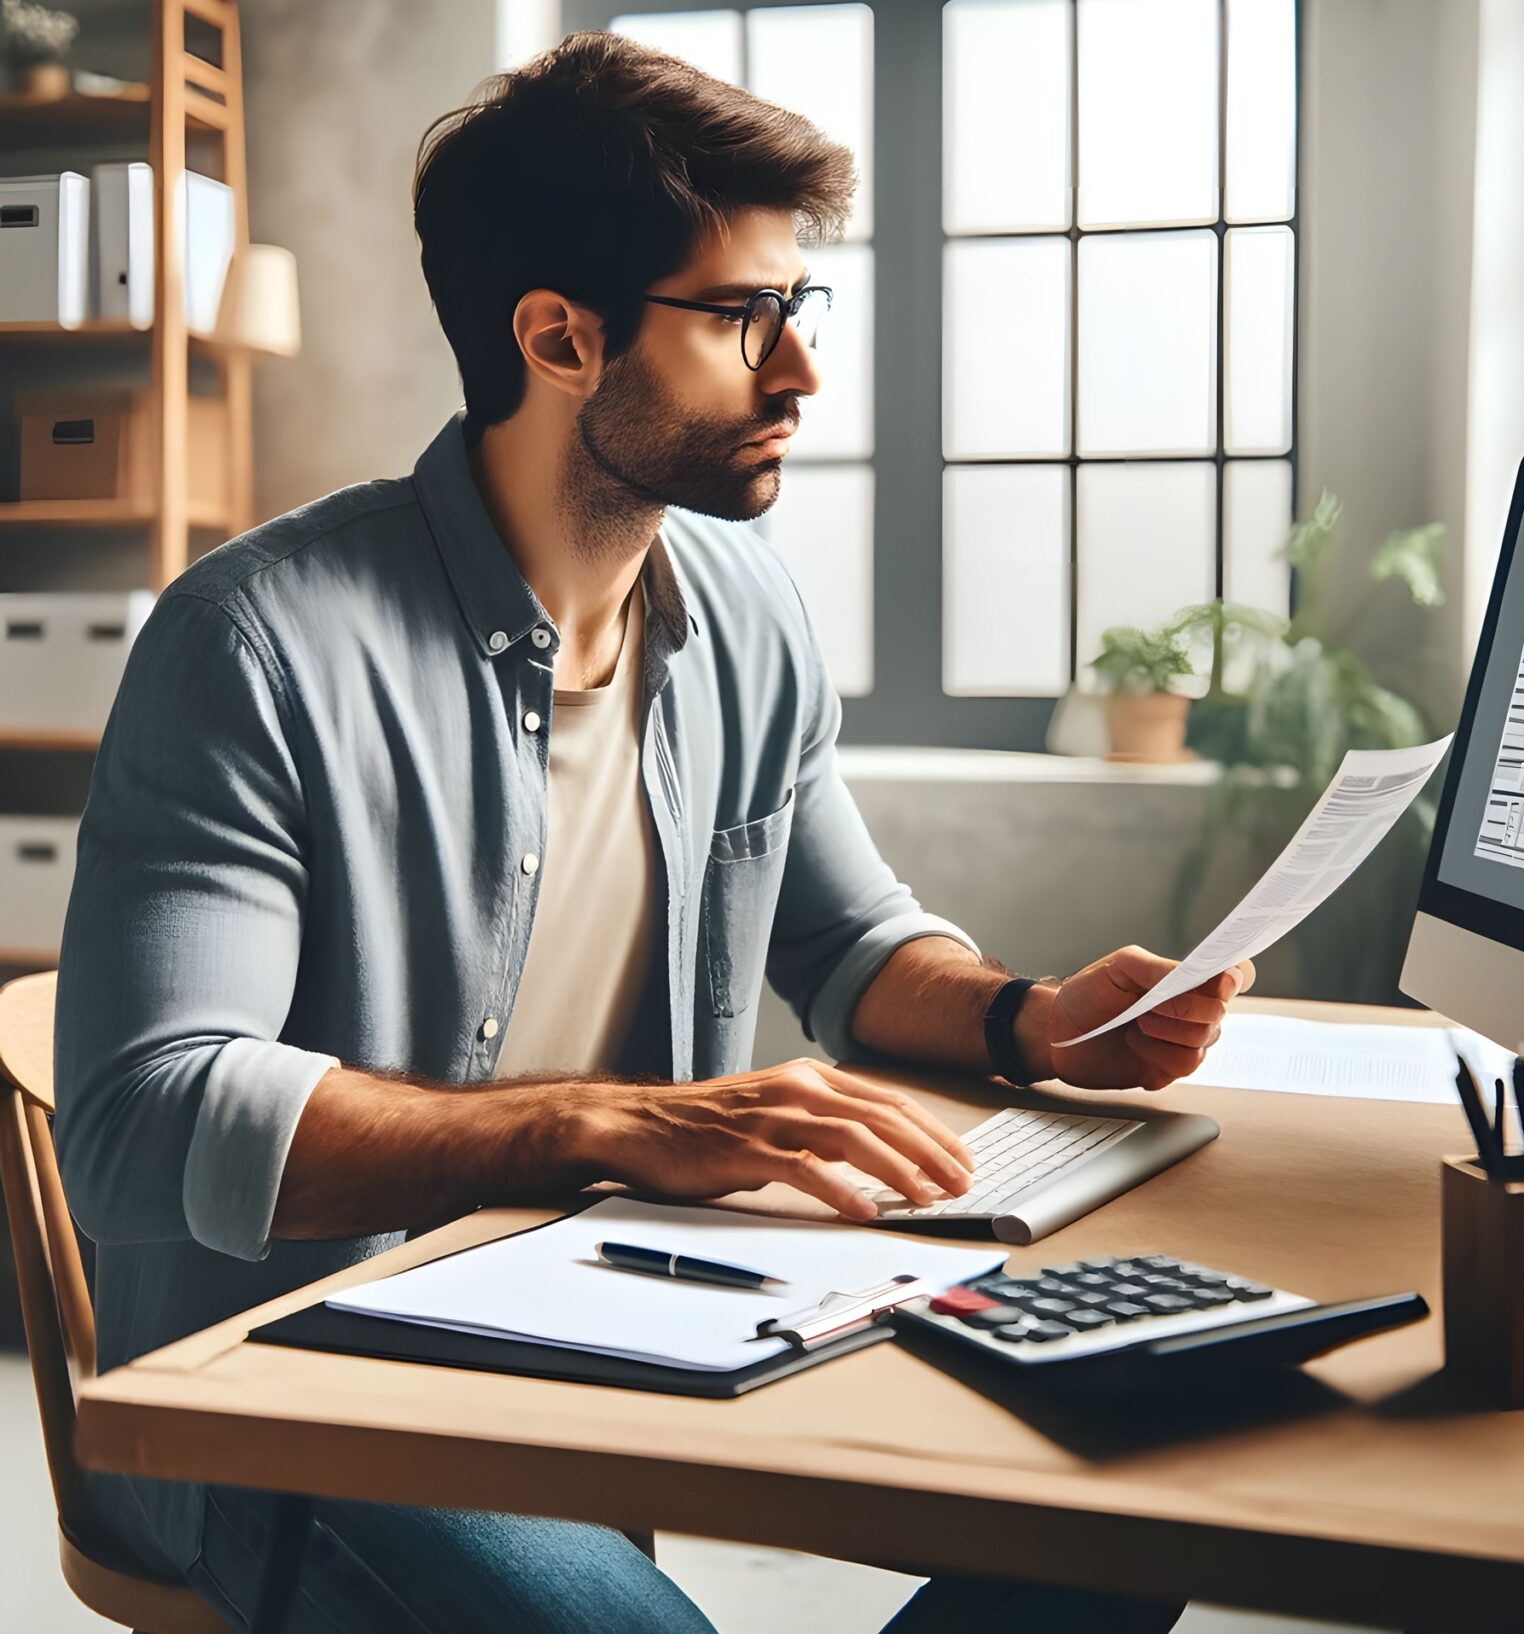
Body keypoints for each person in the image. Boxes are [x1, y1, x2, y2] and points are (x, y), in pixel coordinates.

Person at [54, 31, 1252, 1634]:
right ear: (558, 335)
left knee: (1154, 1473)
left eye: (794, 310)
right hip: (300, 1406)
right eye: (744, 316)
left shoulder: (744, 610)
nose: (801, 372)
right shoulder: (254, 645)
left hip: (623, 1341)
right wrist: (601, 1121)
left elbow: (848, 936)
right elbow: (142, 1118)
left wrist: (1031, 1018)